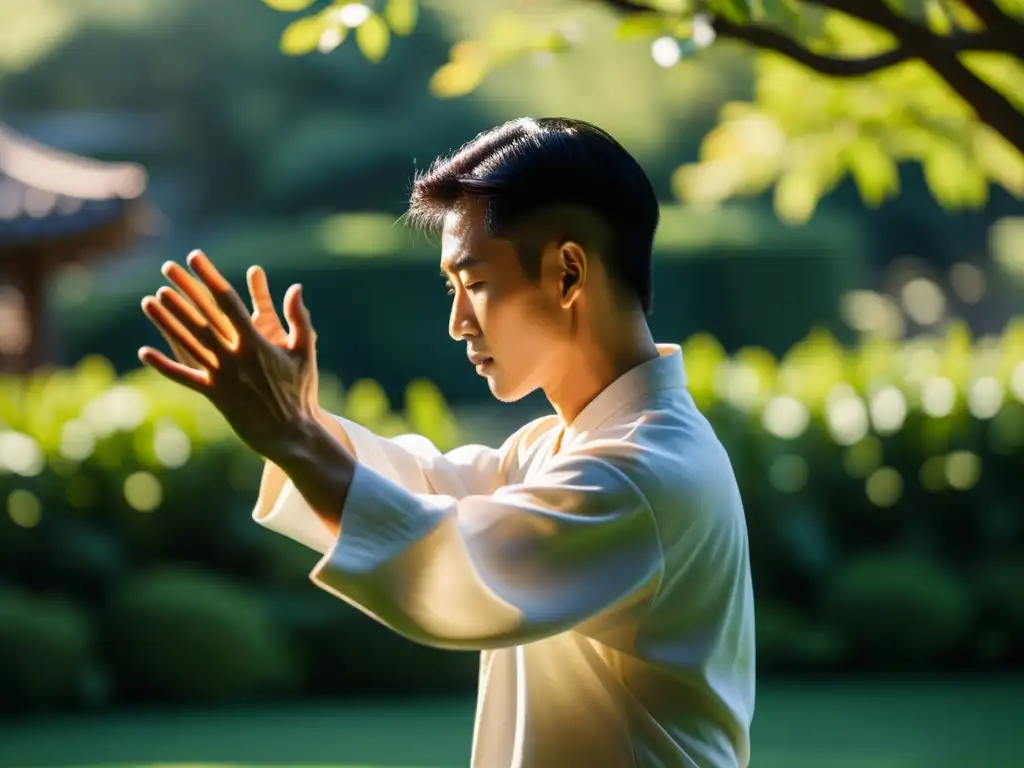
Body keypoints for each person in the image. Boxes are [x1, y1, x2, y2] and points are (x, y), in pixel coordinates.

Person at [138, 117, 756, 768]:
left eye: (477, 284)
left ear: (568, 272)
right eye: (451, 288)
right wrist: (298, 423)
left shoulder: (648, 472)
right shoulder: (562, 446)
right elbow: (429, 489)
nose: (459, 322)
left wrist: (293, 433)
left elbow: (459, 563)